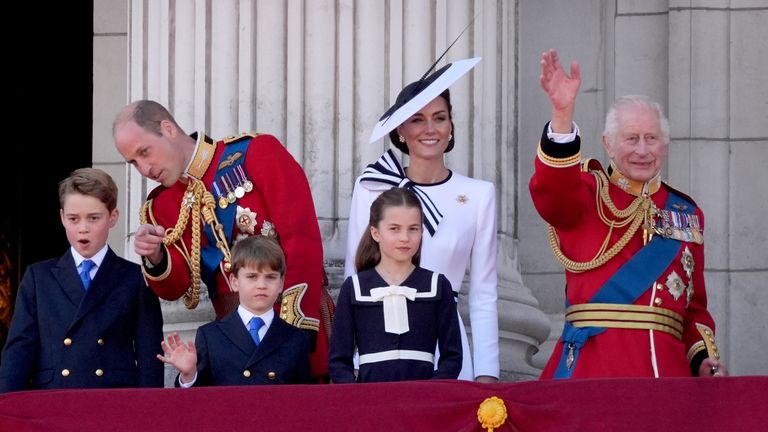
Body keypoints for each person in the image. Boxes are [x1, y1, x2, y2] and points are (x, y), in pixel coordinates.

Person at [530, 49, 727, 378]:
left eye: (652, 138)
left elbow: (693, 308)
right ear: (608, 144)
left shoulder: (686, 212)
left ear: (665, 144)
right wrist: (562, 114)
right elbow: (551, 192)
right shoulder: (586, 193)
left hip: (667, 374)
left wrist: (702, 359)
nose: (642, 150)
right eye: (631, 138)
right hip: (593, 369)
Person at [112, 100, 330, 379]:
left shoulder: (255, 153)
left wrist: (293, 327)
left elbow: (302, 242)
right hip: (231, 340)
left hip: (290, 325)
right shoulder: (160, 206)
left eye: (145, 152)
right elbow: (175, 288)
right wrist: (154, 256)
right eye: (133, 162)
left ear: (167, 129)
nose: (144, 169)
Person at [345, 59, 499, 382]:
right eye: (417, 120)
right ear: (401, 129)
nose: (430, 129)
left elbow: (484, 292)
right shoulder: (372, 187)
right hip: (378, 341)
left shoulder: (478, 195)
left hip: (445, 342)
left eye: (439, 118)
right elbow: (354, 276)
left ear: (451, 126)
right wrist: (353, 360)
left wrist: (488, 373)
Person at [0, 168, 164, 392]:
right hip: (54, 401)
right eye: (73, 219)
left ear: (113, 217)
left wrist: (148, 413)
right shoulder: (39, 277)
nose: (83, 229)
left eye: (94, 218)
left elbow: (150, 357)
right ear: (62, 218)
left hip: (114, 403)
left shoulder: (135, 279)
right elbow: (19, 350)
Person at [330, 188, 461, 382]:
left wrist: (433, 392)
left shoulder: (438, 285)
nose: (405, 238)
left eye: (413, 228)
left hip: (423, 402)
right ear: (375, 233)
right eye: (394, 228)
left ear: (422, 231)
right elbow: (338, 361)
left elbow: (452, 357)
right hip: (370, 403)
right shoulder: (355, 287)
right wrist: (356, 396)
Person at [158, 236, 311, 386]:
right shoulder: (211, 336)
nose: (261, 285)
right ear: (234, 282)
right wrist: (189, 374)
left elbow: (302, 402)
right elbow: (197, 401)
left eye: (270, 277)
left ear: (281, 284)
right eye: (252, 277)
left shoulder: (297, 339)